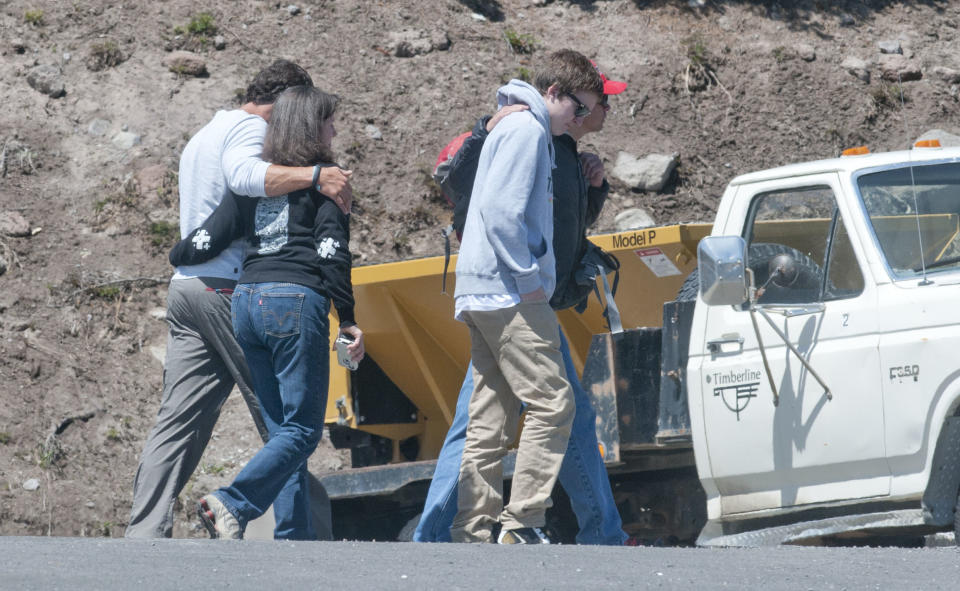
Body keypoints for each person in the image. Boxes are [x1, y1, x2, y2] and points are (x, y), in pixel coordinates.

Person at [125, 59, 352, 539]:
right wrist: (317, 177)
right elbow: (247, 178)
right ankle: (301, 534)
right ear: (286, 102)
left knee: (177, 422)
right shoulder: (251, 131)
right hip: (231, 290)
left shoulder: (209, 130)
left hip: (188, 286)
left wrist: (179, 253)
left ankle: (143, 532)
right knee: (288, 423)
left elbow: (213, 220)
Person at [415, 60, 628, 545]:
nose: (582, 119)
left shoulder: (520, 127)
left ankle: (471, 529)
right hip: (510, 290)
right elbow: (502, 213)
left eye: (589, 111)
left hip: (484, 288)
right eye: (580, 108)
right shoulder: (528, 131)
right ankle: (523, 523)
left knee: (490, 416)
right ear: (553, 91)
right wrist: (530, 280)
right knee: (554, 404)